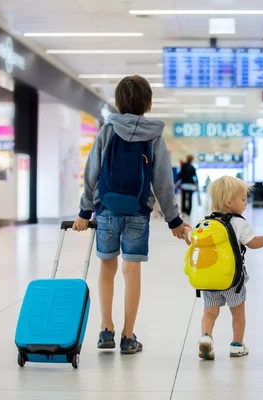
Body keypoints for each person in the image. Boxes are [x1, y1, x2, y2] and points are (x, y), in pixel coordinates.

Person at [73, 75, 190, 355]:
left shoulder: (107, 130)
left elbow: (92, 172)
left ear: (118, 101)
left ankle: (106, 329)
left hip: (107, 211)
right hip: (138, 211)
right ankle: (128, 336)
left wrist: (84, 210)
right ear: (147, 104)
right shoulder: (154, 135)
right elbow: (162, 180)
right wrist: (173, 220)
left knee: (106, 268)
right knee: (131, 269)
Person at [197, 176, 263, 360]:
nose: (245, 203)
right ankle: (237, 345)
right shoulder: (239, 223)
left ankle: (206, 337)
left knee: (210, 312)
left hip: (209, 280)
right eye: (243, 199)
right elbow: (253, 243)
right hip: (232, 280)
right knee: (237, 314)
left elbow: (194, 242)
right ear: (229, 202)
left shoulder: (207, 223)